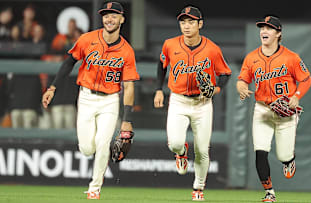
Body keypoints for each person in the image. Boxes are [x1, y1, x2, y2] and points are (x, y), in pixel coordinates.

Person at [42, 0, 140, 199]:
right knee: (87, 148)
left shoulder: (127, 50)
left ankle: (95, 187)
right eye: (106, 15)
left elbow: (129, 86)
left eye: (114, 15)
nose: (109, 18)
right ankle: (101, 154)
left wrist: (127, 119)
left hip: (110, 99)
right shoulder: (87, 39)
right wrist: (53, 87)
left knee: (103, 143)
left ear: (122, 19)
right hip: (86, 97)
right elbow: (69, 62)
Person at [153, 6, 232, 201]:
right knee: (175, 143)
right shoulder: (170, 44)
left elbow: (225, 74)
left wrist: (216, 89)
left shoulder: (212, 49)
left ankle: (198, 188)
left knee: (203, 150)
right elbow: (161, 66)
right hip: (178, 100)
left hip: (202, 103)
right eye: (183, 22)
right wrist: (158, 90)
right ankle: (181, 153)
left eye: (191, 22)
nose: (186, 26)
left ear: (200, 24)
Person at [236, 15, 311, 202]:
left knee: (283, 154)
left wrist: (296, 96)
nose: (264, 31)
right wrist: (242, 88)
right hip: (262, 109)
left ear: (278, 33)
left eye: (269, 28)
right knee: (260, 151)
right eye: (262, 28)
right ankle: (269, 193)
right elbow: (242, 80)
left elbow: (306, 79)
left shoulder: (291, 57)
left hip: (285, 111)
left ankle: (289, 160)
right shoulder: (252, 57)